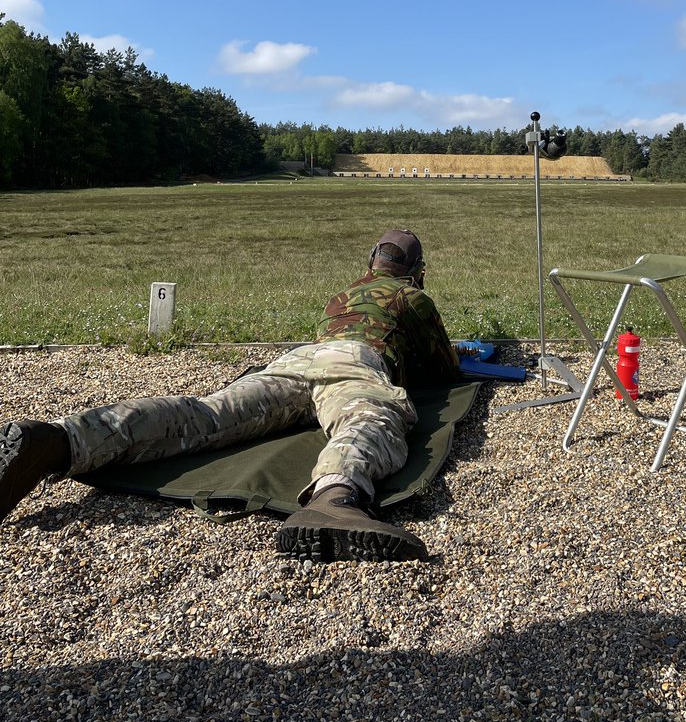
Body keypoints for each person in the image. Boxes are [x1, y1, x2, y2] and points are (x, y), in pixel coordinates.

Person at [0, 230, 460, 564]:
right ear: (415, 271)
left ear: (371, 261)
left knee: (205, 414)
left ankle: (60, 440)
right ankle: (335, 498)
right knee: (370, 417)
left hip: (296, 361)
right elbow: (443, 368)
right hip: (355, 361)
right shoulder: (411, 297)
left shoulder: (340, 297)